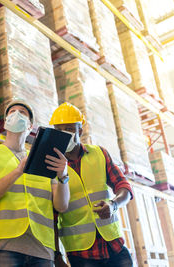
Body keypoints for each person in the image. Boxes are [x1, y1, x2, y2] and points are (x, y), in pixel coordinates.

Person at [0, 99, 70, 267]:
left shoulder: (44, 158)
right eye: (12, 112)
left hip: (42, 249)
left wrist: (63, 176)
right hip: (3, 246)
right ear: (5, 123)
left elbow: (61, 206)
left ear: (30, 126)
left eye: (22, 113)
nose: (16, 114)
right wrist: (18, 171)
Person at [49, 102, 134, 267]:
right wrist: (56, 255)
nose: (63, 134)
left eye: (68, 128)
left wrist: (113, 204)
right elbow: (51, 216)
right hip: (81, 254)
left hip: (114, 246)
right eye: (58, 130)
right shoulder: (52, 167)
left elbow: (124, 187)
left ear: (79, 130)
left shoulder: (99, 154)